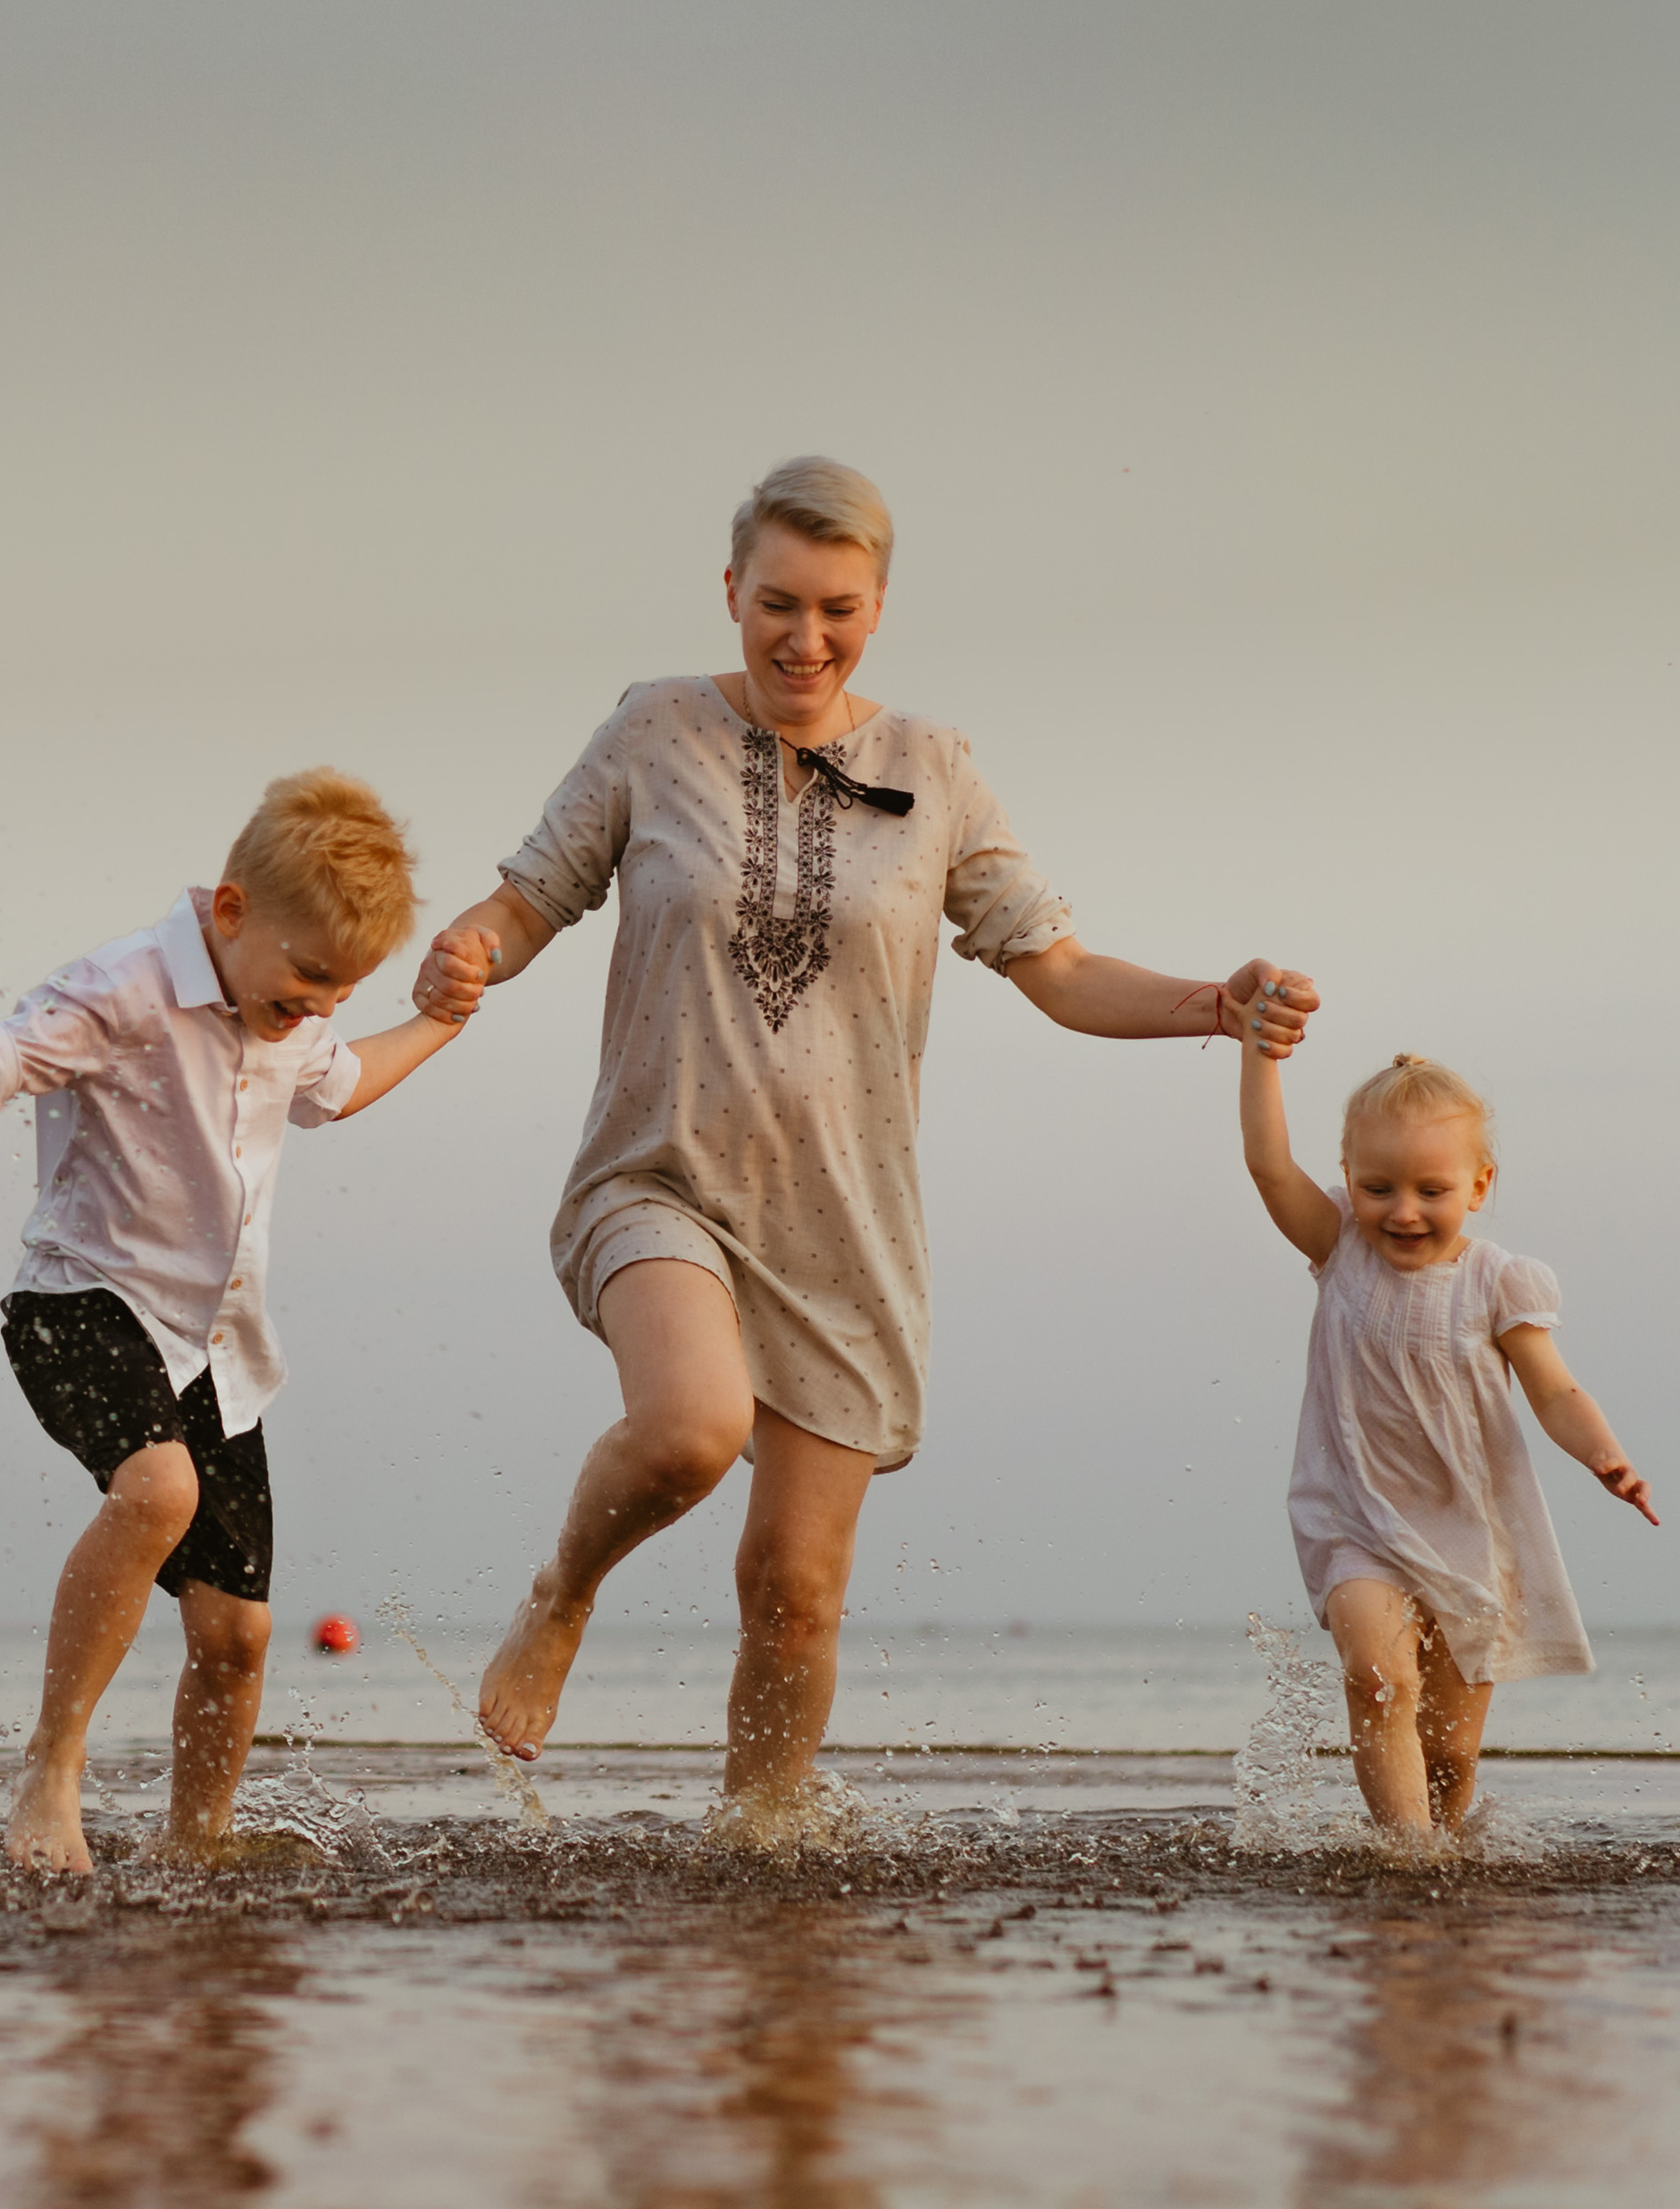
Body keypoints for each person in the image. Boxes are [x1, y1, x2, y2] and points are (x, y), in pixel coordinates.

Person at [414, 455, 1318, 1827]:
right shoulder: (651, 732)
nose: (805, 636)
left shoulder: (936, 770)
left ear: (880, 605)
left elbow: (1057, 969)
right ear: (730, 590)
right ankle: (562, 1595)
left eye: (837, 607)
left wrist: (1217, 1002)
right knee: (688, 1430)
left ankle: (760, 1849)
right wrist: (463, 958)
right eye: (777, 602)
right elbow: (528, 899)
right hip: (659, 1178)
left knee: (797, 1591)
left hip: (846, 1226)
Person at [0, 772, 479, 1873]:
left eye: (343, 986)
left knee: (237, 1636)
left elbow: (337, 1083)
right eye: (307, 981)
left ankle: (197, 1846)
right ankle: (50, 1776)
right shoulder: (121, 987)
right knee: (158, 1488)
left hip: (214, 1348)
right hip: (78, 1303)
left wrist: (433, 1020)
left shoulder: (286, 1001)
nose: (320, 1007)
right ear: (231, 912)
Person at [1236, 1034, 1658, 1838]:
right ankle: (1407, 1859)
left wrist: (1606, 1454)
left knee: (1452, 1753)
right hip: (1354, 1520)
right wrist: (1262, 1051)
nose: (1402, 1210)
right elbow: (1267, 1164)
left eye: (1431, 1189)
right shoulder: (1339, 1248)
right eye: (1377, 1186)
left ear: (1480, 1184)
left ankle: (1449, 1857)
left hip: (1471, 1537)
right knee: (1377, 1678)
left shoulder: (1498, 1280)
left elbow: (1555, 1388)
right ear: (1348, 1177)